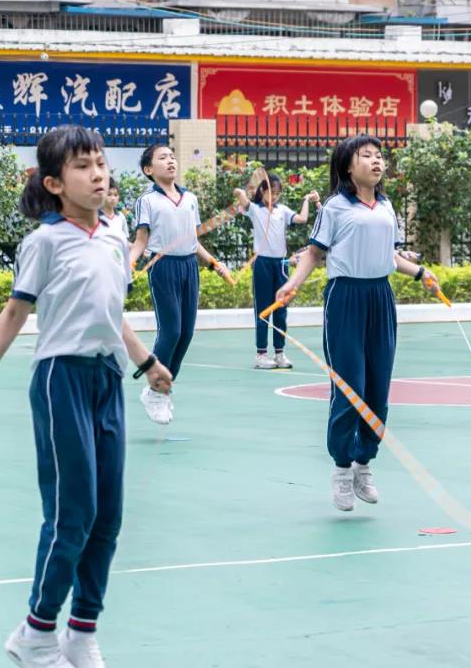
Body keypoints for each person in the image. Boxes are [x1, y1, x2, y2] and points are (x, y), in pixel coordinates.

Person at [0, 125, 172, 668]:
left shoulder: (114, 235)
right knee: (74, 513)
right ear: (53, 182)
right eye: (82, 167)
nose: (98, 175)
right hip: (59, 379)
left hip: (106, 379)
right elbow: (15, 311)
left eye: (101, 164)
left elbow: (111, 313)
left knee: (108, 515)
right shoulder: (43, 241)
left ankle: (81, 630)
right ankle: (36, 631)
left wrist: (147, 363)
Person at [275, 135, 438, 512]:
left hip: (381, 298)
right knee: (350, 387)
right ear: (348, 166)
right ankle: (341, 467)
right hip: (345, 298)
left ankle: (364, 462)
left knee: (378, 390)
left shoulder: (386, 206)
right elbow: (314, 253)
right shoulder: (334, 207)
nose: (376, 162)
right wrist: (292, 284)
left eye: (379, 156)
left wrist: (421, 273)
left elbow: (391, 257)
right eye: (366, 156)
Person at [129, 144, 233, 424]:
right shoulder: (147, 201)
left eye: (172, 157)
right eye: (162, 158)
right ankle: (155, 390)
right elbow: (140, 241)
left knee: (186, 333)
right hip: (163, 266)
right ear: (148, 170)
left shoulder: (190, 199)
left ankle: (162, 389)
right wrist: (128, 264)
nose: (170, 161)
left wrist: (214, 264)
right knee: (171, 331)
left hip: (189, 266)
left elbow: (192, 241)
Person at [233, 169, 319, 369]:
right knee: (263, 309)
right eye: (272, 192)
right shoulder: (254, 209)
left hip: (281, 264)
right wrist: (242, 191)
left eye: (278, 193)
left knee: (281, 309)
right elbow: (241, 196)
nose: (275, 196)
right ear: (263, 191)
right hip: (262, 263)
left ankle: (279, 353)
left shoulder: (283, 211)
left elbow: (302, 219)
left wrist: (307, 200)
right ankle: (261, 354)